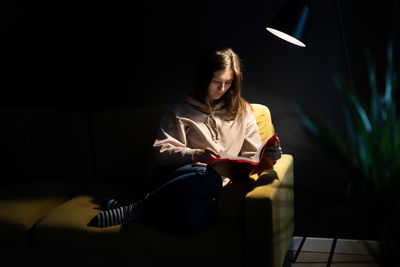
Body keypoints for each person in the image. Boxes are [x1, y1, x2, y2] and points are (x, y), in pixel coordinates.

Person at [88, 46, 282, 233]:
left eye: (228, 82)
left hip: (208, 192)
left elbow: (252, 155)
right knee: (209, 177)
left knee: (194, 217)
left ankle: (138, 209)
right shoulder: (180, 110)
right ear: (203, 77)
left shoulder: (243, 111)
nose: (222, 88)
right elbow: (161, 152)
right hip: (177, 178)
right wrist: (196, 155)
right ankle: (140, 207)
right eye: (216, 81)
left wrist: (269, 156)